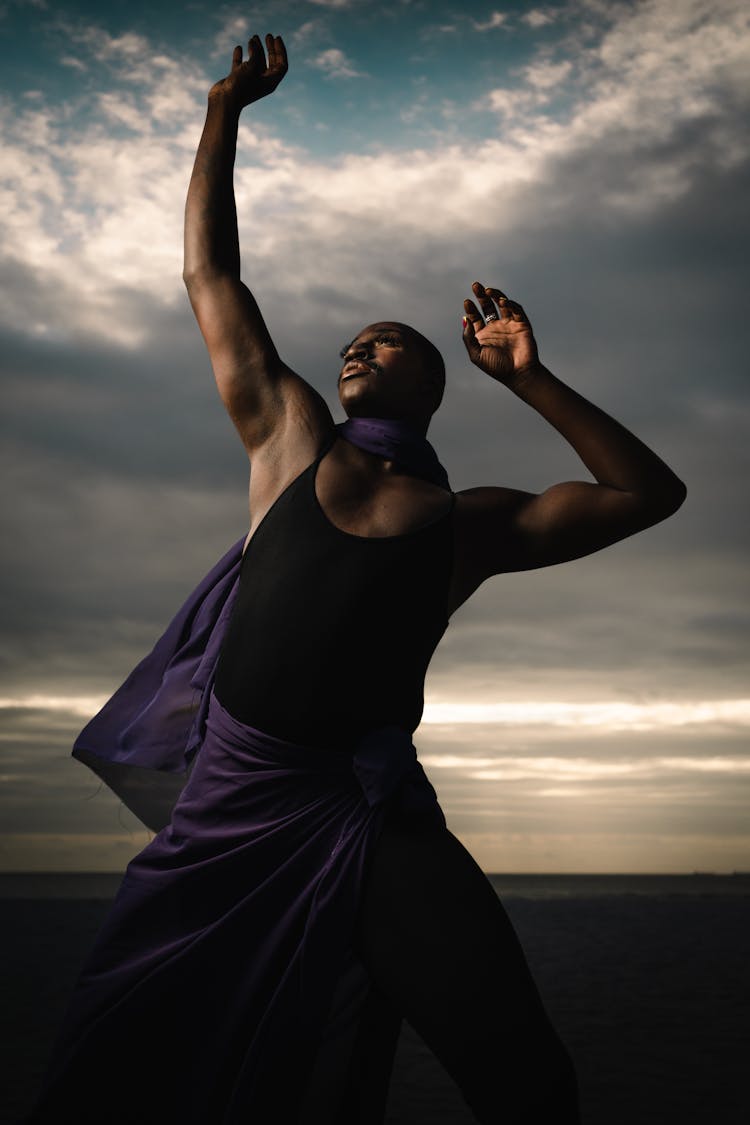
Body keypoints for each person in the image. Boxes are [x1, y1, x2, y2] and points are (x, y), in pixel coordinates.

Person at [27, 32, 686, 1125]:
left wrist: (535, 379)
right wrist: (222, 110)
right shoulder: (290, 437)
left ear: (437, 378)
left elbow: (644, 496)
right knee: (126, 1066)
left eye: (389, 343)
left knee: (525, 1075)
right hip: (231, 815)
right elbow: (211, 275)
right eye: (354, 343)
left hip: (367, 813)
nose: (359, 350)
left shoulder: (474, 524)